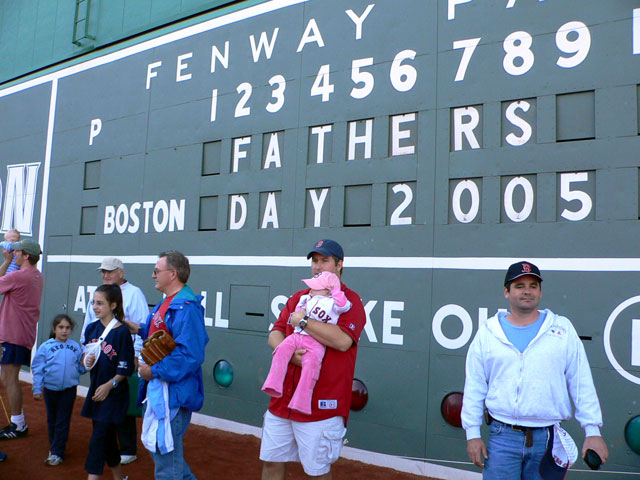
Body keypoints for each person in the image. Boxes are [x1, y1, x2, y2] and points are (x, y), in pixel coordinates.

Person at [461, 261, 609, 479]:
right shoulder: (488, 333)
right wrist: (472, 434)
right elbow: (474, 385)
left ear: (540, 292)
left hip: (547, 438)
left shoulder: (561, 329)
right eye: (519, 286)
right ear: (506, 292)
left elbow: (581, 383)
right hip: (502, 437)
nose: (527, 291)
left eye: (533, 285)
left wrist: (592, 431)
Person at [260, 239, 366, 480]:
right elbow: (275, 333)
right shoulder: (299, 296)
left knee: (317, 474)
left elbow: (341, 341)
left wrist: (304, 322)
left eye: (324, 261)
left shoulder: (350, 301)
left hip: (320, 407)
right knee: (271, 464)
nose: (318, 267)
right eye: (315, 261)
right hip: (282, 403)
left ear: (339, 265)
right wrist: (288, 355)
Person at [126, 250, 208, 480]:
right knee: (168, 458)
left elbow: (190, 354)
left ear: (172, 274)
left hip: (172, 392)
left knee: (166, 462)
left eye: (156, 271)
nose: (153, 275)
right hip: (161, 390)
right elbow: (163, 334)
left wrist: (154, 371)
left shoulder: (187, 306)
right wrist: (139, 328)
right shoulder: (169, 302)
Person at [80, 257, 149, 465]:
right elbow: (88, 323)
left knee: (122, 399)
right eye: (103, 271)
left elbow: (142, 325)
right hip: (100, 353)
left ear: (121, 272)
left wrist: (136, 355)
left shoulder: (134, 293)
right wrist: (87, 348)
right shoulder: (99, 292)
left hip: (125, 353)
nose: (105, 275)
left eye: (110, 271)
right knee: (99, 393)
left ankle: (127, 447)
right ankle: (107, 444)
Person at [262, 271, 352, 415]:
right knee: (281, 349)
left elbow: (344, 306)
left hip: (315, 343)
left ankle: (302, 401)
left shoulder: (333, 303)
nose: (311, 289)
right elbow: (293, 317)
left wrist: (335, 290)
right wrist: (300, 311)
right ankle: (273, 383)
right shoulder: (305, 298)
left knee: (311, 367)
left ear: (328, 290)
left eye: (315, 287)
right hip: (297, 335)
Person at [81, 284, 134, 480]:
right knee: (108, 439)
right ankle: (119, 477)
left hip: (114, 395)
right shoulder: (91, 328)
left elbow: (126, 367)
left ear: (113, 305)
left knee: (98, 439)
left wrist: (110, 384)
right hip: (97, 391)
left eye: (100, 303)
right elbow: (86, 358)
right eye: (93, 302)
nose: (95, 307)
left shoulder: (121, 332)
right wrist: (86, 361)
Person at [0, 238, 44, 440]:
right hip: (21, 335)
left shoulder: (19, 276)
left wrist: (6, 261)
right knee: (8, 377)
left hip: (14, 335)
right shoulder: (37, 276)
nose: (14, 253)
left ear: (26, 255)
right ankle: (19, 421)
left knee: (10, 378)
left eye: (17, 252)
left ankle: (18, 424)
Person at [32, 314, 85, 465]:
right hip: (50, 390)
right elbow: (38, 368)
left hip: (69, 390)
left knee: (63, 420)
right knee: (52, 419)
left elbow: (81, 369)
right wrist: (37, 388)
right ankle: (54, 446)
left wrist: (87, 363)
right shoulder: (46, 347)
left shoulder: (75, 347)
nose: (64, 331)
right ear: (54, 329)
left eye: (68, 328)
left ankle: (57, 452)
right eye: (61, 327)